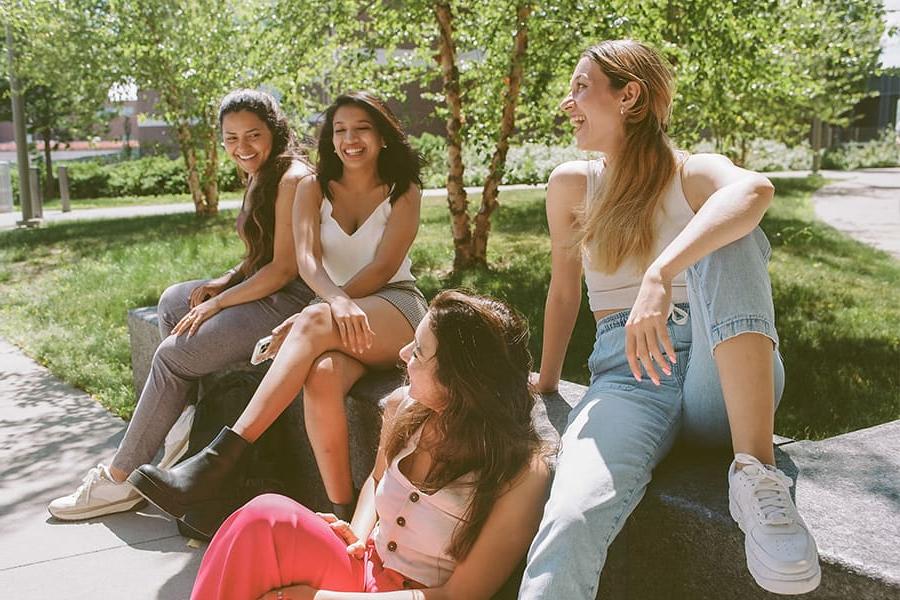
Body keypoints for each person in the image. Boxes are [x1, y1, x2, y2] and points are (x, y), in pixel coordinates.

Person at [518, 40, 821, 598]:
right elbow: (564, 292)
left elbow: (755, 190)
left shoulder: (694, 171)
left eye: (582, 86)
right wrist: (547, 379)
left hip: (722, 370)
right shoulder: (571, 184)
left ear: (629, 96)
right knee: (569, 516)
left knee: (734, 235)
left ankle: (755, 473)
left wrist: (660, 274)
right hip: (628, 376)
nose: (568, 102)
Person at [127, 92, 428, 525]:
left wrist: (327, 307)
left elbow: (383, 267)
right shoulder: (312, 186)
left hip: (393, 305)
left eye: (361, 127)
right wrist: (328, 305)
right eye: (339, 130)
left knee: (311, 322)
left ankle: (215, 464)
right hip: (331, 309)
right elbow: (305, 262)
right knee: (322, 377)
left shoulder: (404, 188)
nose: (350, 139)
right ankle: (338, 514)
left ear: (382, 134)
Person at [49, 89, 317, 521]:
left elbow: (284, 270)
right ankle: (182, 433)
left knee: (173, 356)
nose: (242, 148)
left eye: (253, 135)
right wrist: (224, 281)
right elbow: (261, 256)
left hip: (296, 303)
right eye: (231, 138)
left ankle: (121, 478)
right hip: (271, 289)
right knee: (176, 300)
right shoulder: (262, 173)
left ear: (275, 131)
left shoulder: (293, 178)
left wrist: (219, 303)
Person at [190, 290, 552, 600]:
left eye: (420, 352)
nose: (403, 354)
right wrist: (357, 534)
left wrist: (320, 598)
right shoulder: (405, 408)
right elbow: (377, 480)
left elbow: (459, 595)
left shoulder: (522, 474)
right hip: (366, 567)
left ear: (462, 382)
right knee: (263, 517)